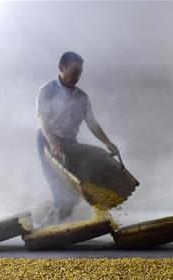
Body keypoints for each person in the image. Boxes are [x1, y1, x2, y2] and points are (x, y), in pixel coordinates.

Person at [36, 51, 120, 225]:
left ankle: (55, 222)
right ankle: (49, 228)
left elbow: (92, 123)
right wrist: (52, 141)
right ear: (62, 67)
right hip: (48, 141)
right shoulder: (47, 91)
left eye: (80, 72)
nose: (78, 76)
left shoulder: (82, 97)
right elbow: (43, 121)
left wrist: (108, 143)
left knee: (75, 191)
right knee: (61, 191)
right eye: (74, 71)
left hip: (70, 143)